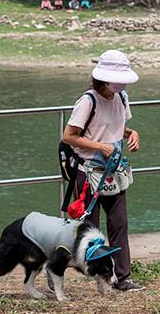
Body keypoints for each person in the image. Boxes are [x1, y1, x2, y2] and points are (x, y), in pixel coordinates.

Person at [61, 50, 143, 291]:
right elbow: (69, 136)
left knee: (119, 223)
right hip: (87, 173)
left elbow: (117, 126)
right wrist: (98, 146)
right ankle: (78, 270)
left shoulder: (122, 97)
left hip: (113, 171)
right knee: (89, 228)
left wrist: (132, 133)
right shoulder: (88, 101)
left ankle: (122, 277)